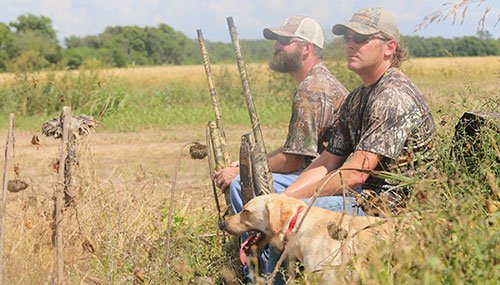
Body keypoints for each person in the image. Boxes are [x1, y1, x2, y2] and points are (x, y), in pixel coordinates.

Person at [214, 15, 348, 283]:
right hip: (321, 170)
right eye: (277, 40)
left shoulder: (311, 89)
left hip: (326, 178)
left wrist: (241, 169)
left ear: (306, 48)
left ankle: (260, 272)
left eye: (285, 41)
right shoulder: (319, 82)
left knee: (241, 184)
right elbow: (296, 150)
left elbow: (292, 160)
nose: (276, 46)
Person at [284, 7, 436, 216]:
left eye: (361, 38)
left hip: (396, 209)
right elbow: (328, 161)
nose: (351, 44)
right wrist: (286, 196)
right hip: (366, 198)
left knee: (294, 216)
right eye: (348, 38)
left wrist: (289, 201)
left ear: (390, 47)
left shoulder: (393, 96)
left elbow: (355, 174)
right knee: (282, 207)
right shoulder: (355, 98)